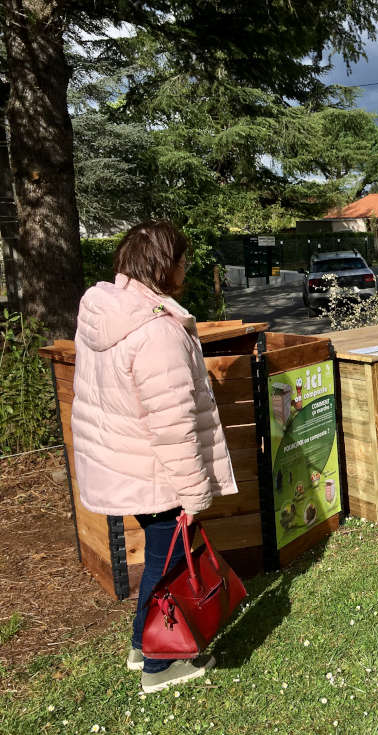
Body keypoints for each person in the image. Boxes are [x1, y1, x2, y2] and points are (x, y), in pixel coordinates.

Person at [71, 220, 238, 694]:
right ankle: (159, 664)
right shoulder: (157, 332)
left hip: (124, 465)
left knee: (160, 557)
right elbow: (173, 424)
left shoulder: (105, 310)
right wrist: (192, 494)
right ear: (166, 266)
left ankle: (138, 647)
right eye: (183, 259)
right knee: (167, 569)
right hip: (155, 471)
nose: (187, 267)